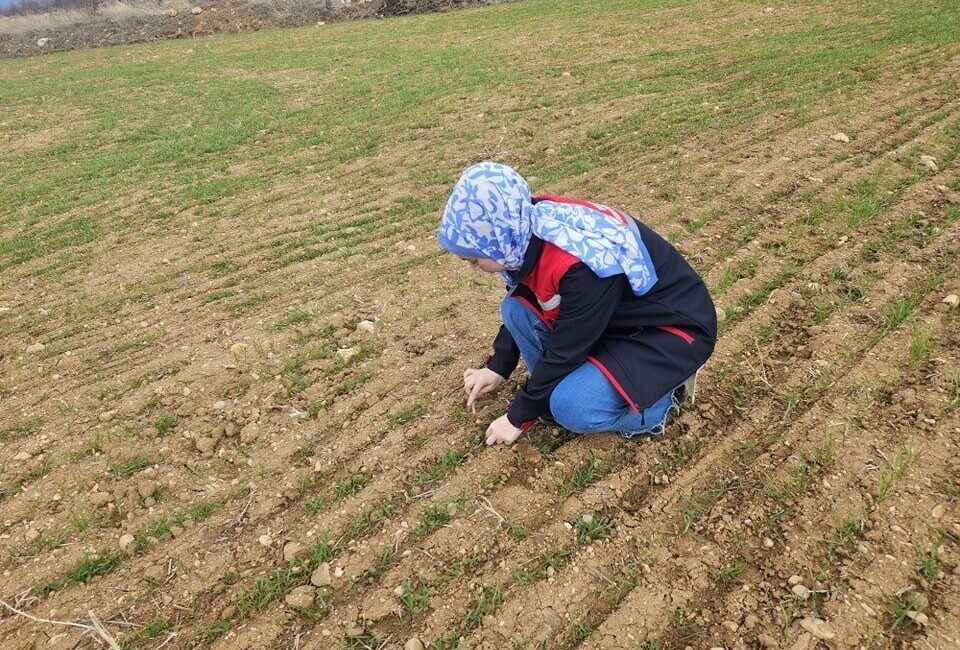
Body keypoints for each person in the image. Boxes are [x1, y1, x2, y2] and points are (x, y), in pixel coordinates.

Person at [437, 162, 717, 446]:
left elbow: (566, 349)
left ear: (498, 239)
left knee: (571, 408)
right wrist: (499, 365)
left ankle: (661, 402)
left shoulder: (583, 267)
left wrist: (517, 417)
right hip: (613, 322)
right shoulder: (522, 230)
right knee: (514, 309)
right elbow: (525, 294)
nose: (473, 267)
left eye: (473, 259)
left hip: (668, 334)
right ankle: (552, 392)